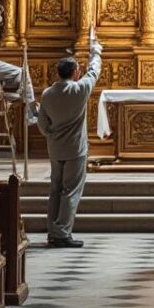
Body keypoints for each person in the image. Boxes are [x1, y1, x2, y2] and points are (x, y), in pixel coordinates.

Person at [36, 25, 103, 248]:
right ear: (75, 72)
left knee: (55, 189)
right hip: (75, 149)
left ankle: (52, 230)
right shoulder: (79, 90)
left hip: (55, 148)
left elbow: (42, 122)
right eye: (78, 70)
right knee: (71, 191)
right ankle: (62, 233)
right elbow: (94, 71)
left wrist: (51, 135)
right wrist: (96, 50)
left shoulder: (47, 93)